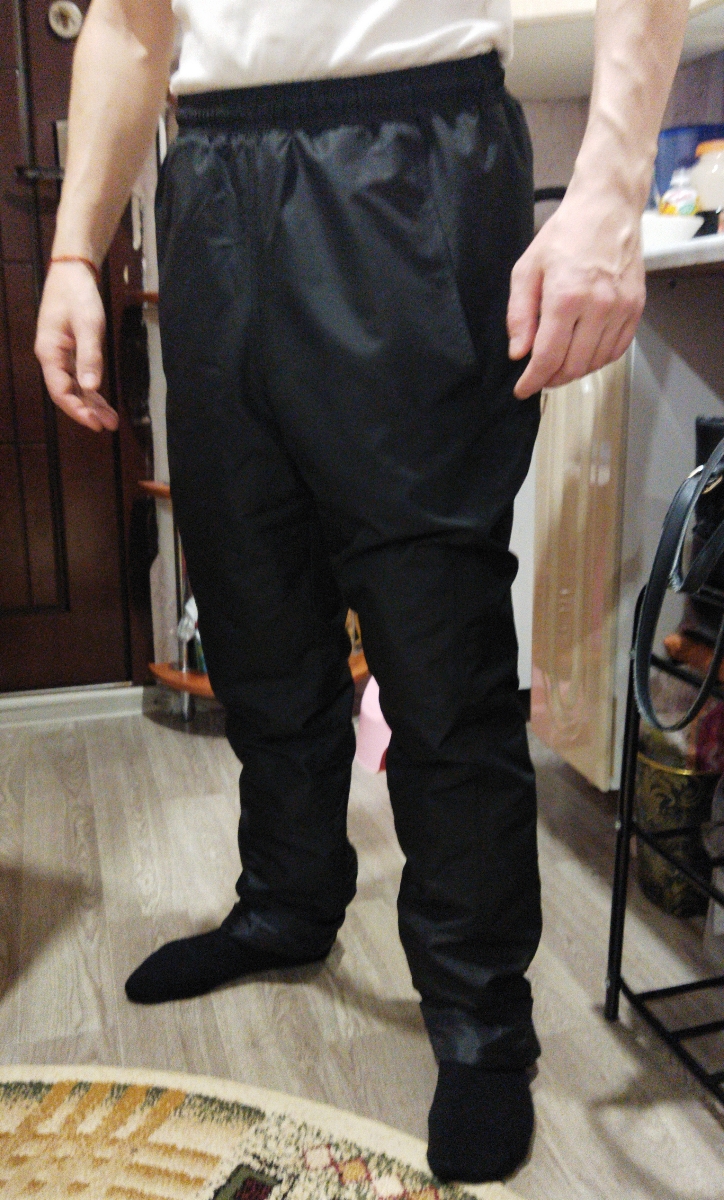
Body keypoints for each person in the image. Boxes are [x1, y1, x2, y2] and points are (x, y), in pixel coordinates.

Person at [35, 0, 690, 1183]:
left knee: (435, 639)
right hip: (211, 181)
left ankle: (481, 1017)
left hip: (410, 154)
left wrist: (609, 191)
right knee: (254, 598)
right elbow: (129, 28)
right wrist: (76, 251)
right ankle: (287, 903)